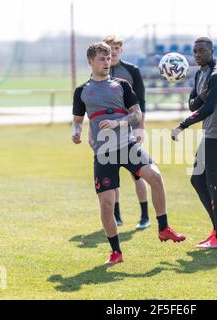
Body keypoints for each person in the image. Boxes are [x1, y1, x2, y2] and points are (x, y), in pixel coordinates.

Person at [72, 42, 185, 265]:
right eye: (102, 59)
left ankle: (163, 228)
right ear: (90, 62)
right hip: (103, 152)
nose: (107, 62)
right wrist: (76, 132)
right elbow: (77, 121)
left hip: (128, 145)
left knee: (155, 176)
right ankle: (116, 252)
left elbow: (136, 114)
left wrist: (118, 123)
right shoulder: (82, 91)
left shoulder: (122, 85)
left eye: (108, 58)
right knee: (106, 203)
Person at [171, 37, 217, 249]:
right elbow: (192, 104)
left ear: (212, 51)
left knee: (215, 186)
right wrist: (200, 98)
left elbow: (207, 108)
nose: (197, 54)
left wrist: (182, 126)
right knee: (198, 181)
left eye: (201, 51)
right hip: (210, 134)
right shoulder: (199, 73)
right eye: (194, 51)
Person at [98, 35, 149, 230]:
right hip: (107, 132)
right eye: (111, 47)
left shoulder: (132, 71)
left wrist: (140, 128)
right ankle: (117, 216)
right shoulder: (99, 72)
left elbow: (141, 102)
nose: (114, 50)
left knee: (138, 174)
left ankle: (144, 216)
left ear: (122, 49)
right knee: (112, 175)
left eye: (118, 47)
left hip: (129, 128)